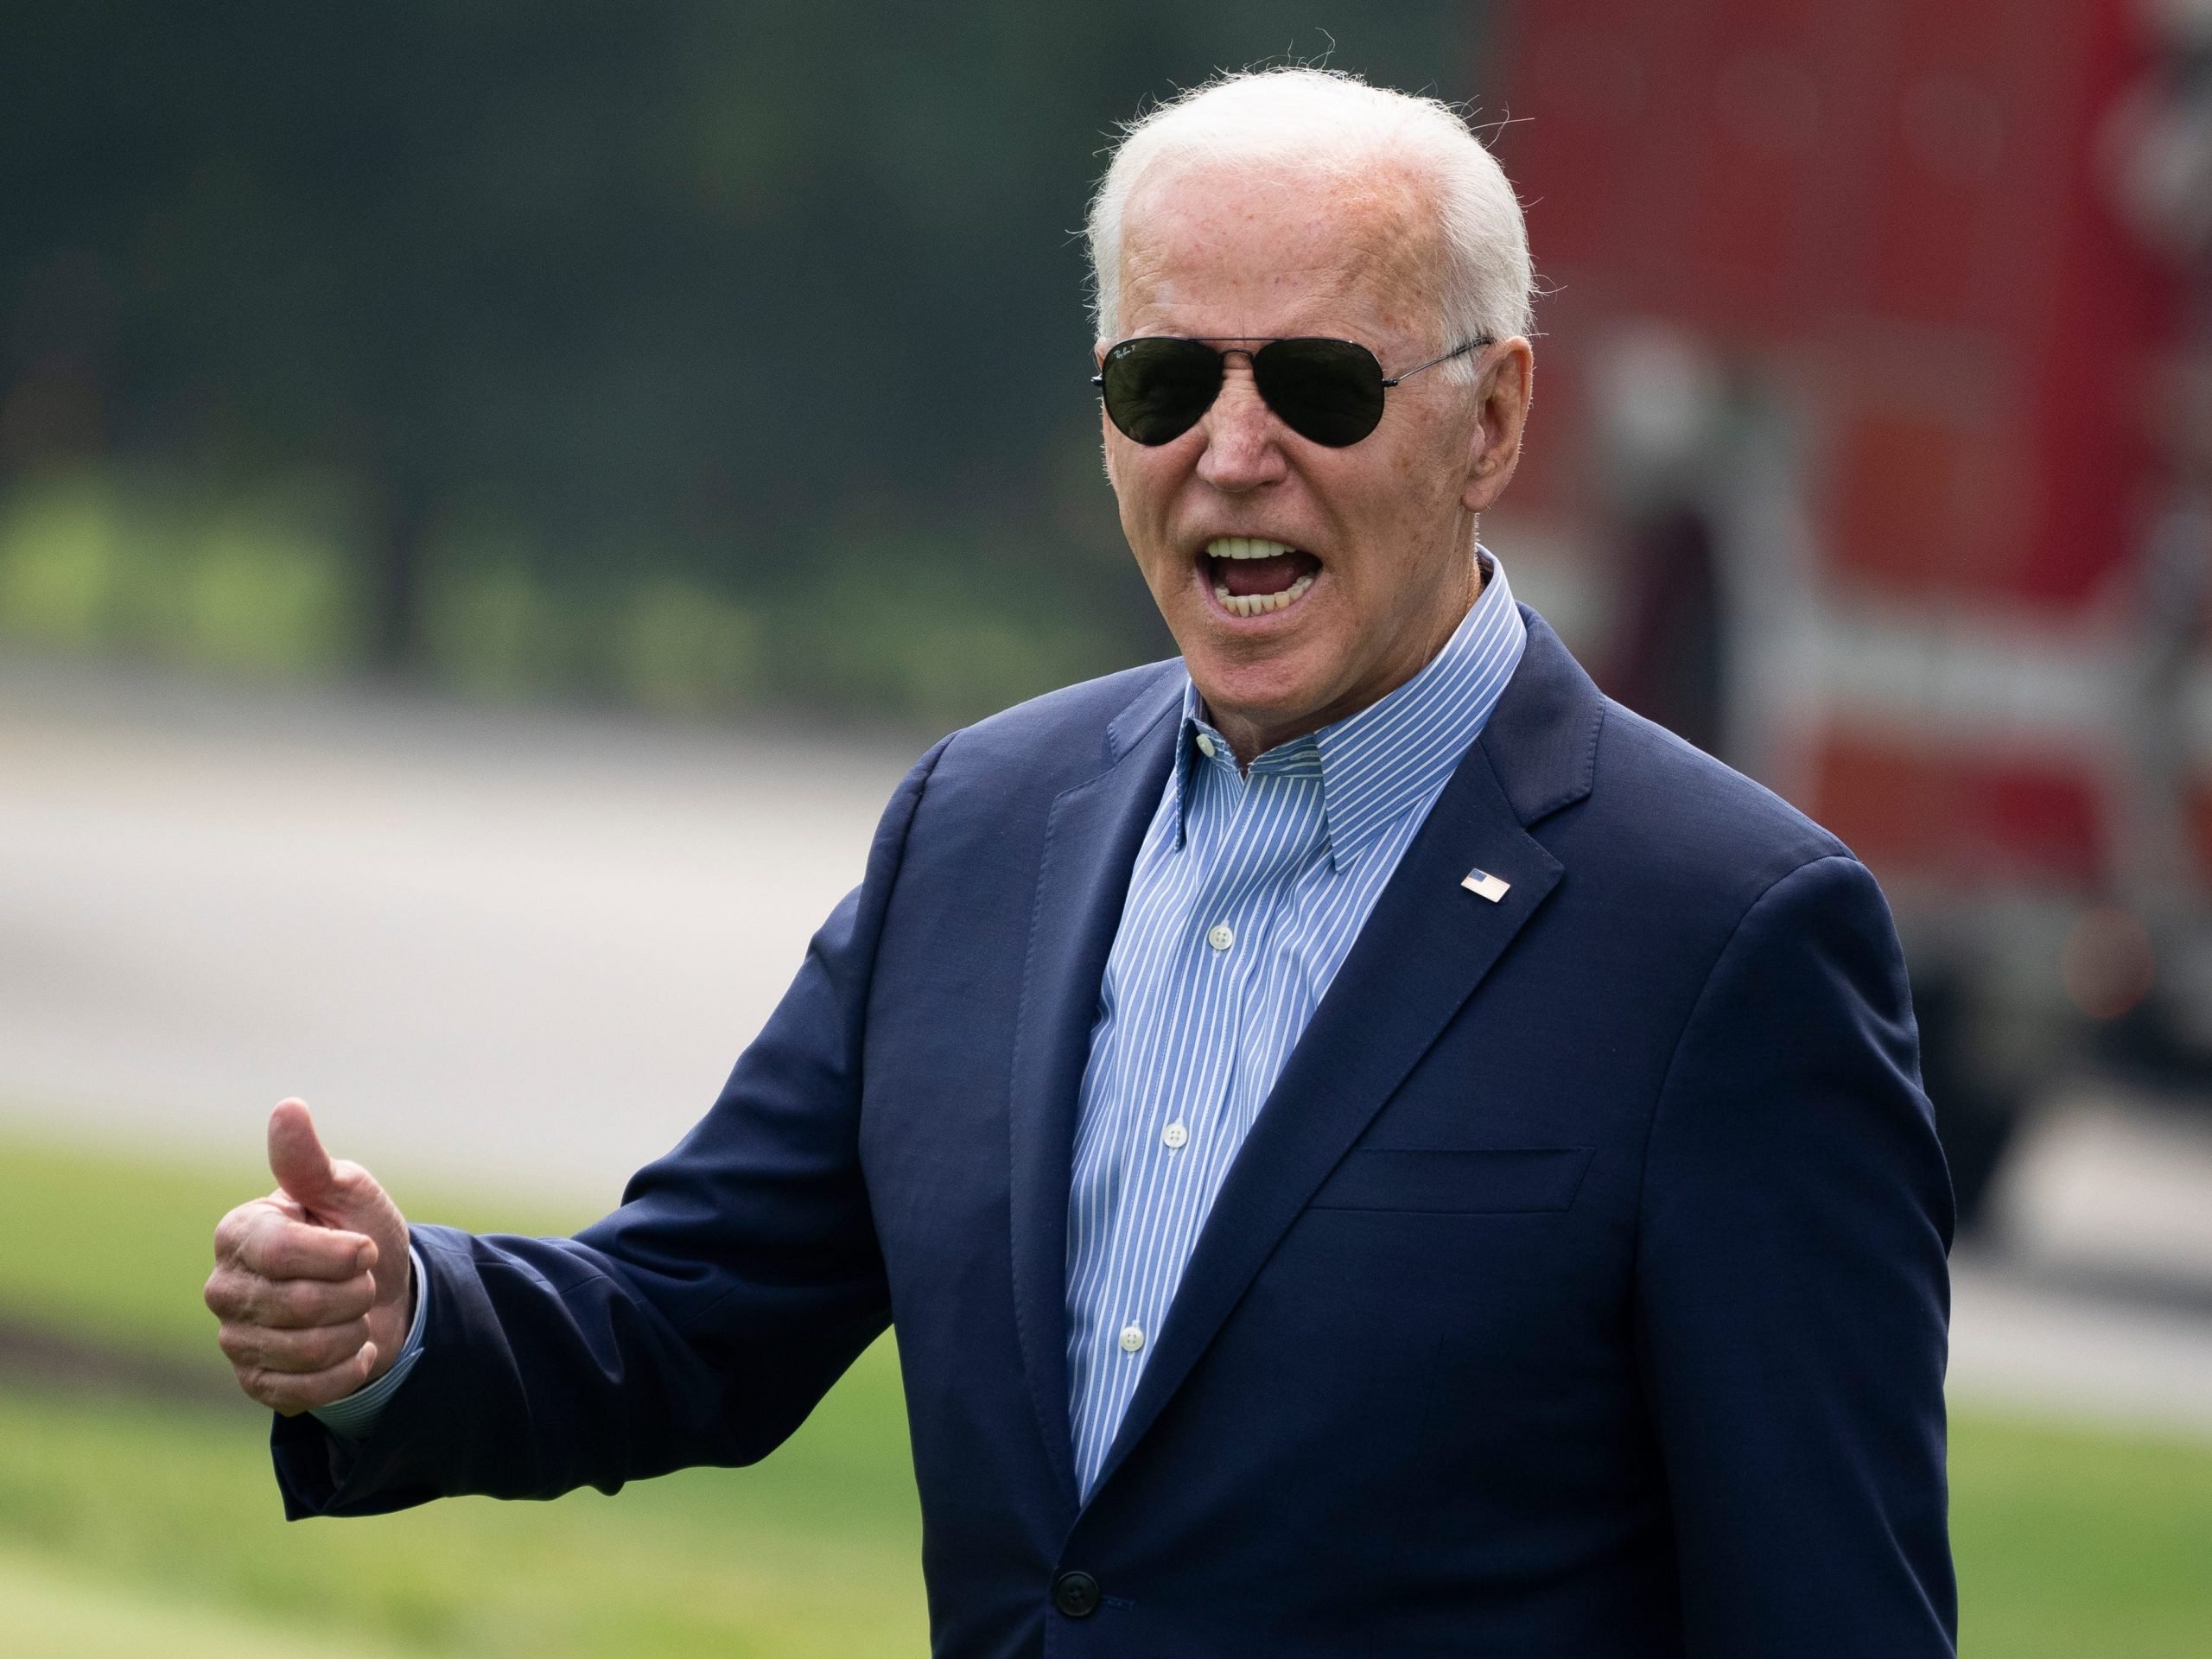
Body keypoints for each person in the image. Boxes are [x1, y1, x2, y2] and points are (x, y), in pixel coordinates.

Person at [203, 68, 1956, 1656]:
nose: (1229, 449)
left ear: (1489, 421)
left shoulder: (1729, 935)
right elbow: (689, 1310)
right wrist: (403, 1315)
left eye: (1321, 384)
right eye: (1164, 377)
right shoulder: (983, 824)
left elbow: (1828, 1612)